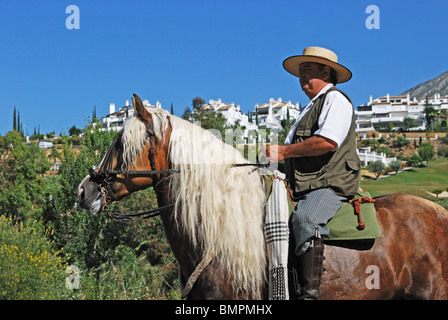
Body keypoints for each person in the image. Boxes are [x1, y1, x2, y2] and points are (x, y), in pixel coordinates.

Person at [265, 46, 361, 299]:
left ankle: (309, 295)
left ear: (326, 71)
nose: (301, 77)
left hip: (331, 182)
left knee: (306, 219)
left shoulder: (335, 99)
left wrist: (284, 153)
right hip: (306, 183)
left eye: (307, 71)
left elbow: (326, 142)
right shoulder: (308, 108)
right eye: (300, 73)